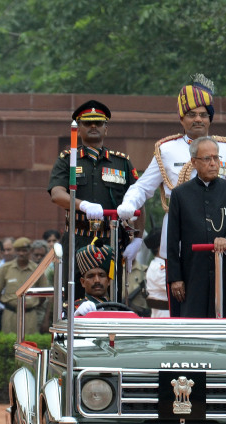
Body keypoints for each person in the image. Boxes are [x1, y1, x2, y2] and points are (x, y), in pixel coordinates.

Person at [118, 74, 226, 247]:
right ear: (181, 119)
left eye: (203, 115)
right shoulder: (166, 150)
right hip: (179, 229)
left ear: (210, 118)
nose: (198, 119)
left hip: (220, 230)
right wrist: (129, 203)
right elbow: (143, 187)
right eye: (191, 114)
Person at [48, 100, 141, 299]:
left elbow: (137, 197)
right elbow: (57, 194)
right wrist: (83, 205)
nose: (93, 127)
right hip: (77, 236)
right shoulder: (68, 159)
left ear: (106, 128)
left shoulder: (121, 161)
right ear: (78, 128)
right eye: (87, 123)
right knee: (74, 296)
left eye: (98, 123)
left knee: (112, 295)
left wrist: (137, 239)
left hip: (112, 237)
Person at [166, 136, 226, 318]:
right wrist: (175, 277)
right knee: (195, 324)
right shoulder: (180, 194)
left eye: (216, 158)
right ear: (194, 162)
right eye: (207, 159)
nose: (213, 163)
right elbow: (172, 240)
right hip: (193, 272)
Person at [0, 237, 46, 334]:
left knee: (30, 345)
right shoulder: (5, 268)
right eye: (18, 250)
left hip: (30, 315)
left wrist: (33, 304)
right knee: (8, 345)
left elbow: (44, 294)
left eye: (24, 250)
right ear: (15, 251)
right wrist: (10, 303)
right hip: (10, 314)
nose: (21, 253)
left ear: (29, 251)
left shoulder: (37, 269)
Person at [73, 242, 113, 317]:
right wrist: (76, 316)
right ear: (83, 282)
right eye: (91, 276)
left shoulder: (118, 309)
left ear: (108, 280)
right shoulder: (71, 309)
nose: (97, 280)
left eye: (101, 275)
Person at [143, 231, 170, 318]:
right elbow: (170, 287)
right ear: (160, 248)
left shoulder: (160, 264)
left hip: (165, 313)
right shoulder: (158, 268)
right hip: (163, 315)